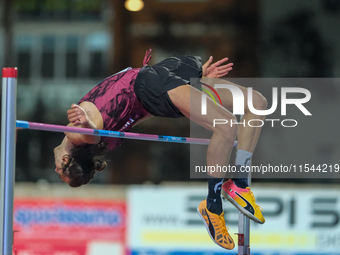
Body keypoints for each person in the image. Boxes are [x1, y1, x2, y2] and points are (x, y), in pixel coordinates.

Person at [53, 49, 266, 250]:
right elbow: (91, 134)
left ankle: (237, 184)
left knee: (254, 104)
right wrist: (87, 123)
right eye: (60, 174)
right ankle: (214, 204)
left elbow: (137, 111)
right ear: (65, 160)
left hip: (157, 82)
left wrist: (187, 92)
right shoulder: (77, 135)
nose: (55, 171)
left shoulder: (103, 141)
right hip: (155, 84)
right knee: (238, 116)